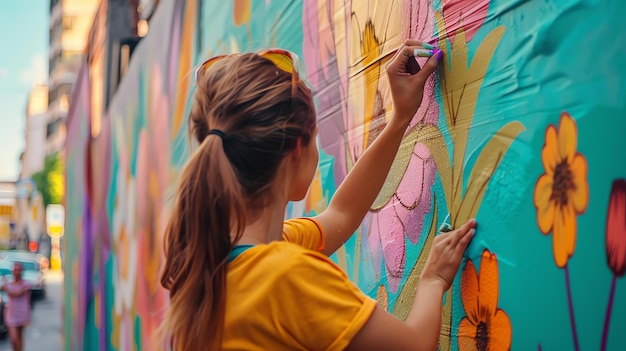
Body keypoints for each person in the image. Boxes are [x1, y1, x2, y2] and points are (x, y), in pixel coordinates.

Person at [158, 40, 477, 350]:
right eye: (314, 136)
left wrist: (399, 119)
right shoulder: (284, 276)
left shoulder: (216, 261)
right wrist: (433, 279)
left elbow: (341, 215)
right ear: (298, 147)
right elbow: (414, 346)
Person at [1, 263, 31, 351]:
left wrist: (7, 289)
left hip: (22, 312)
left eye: (18, 269)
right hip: (11, 313)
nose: (16, 272)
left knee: (19, 336)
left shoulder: (25, 284)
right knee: (13, 338)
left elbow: (18, 293)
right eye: (15, 269)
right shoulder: (9, 284)